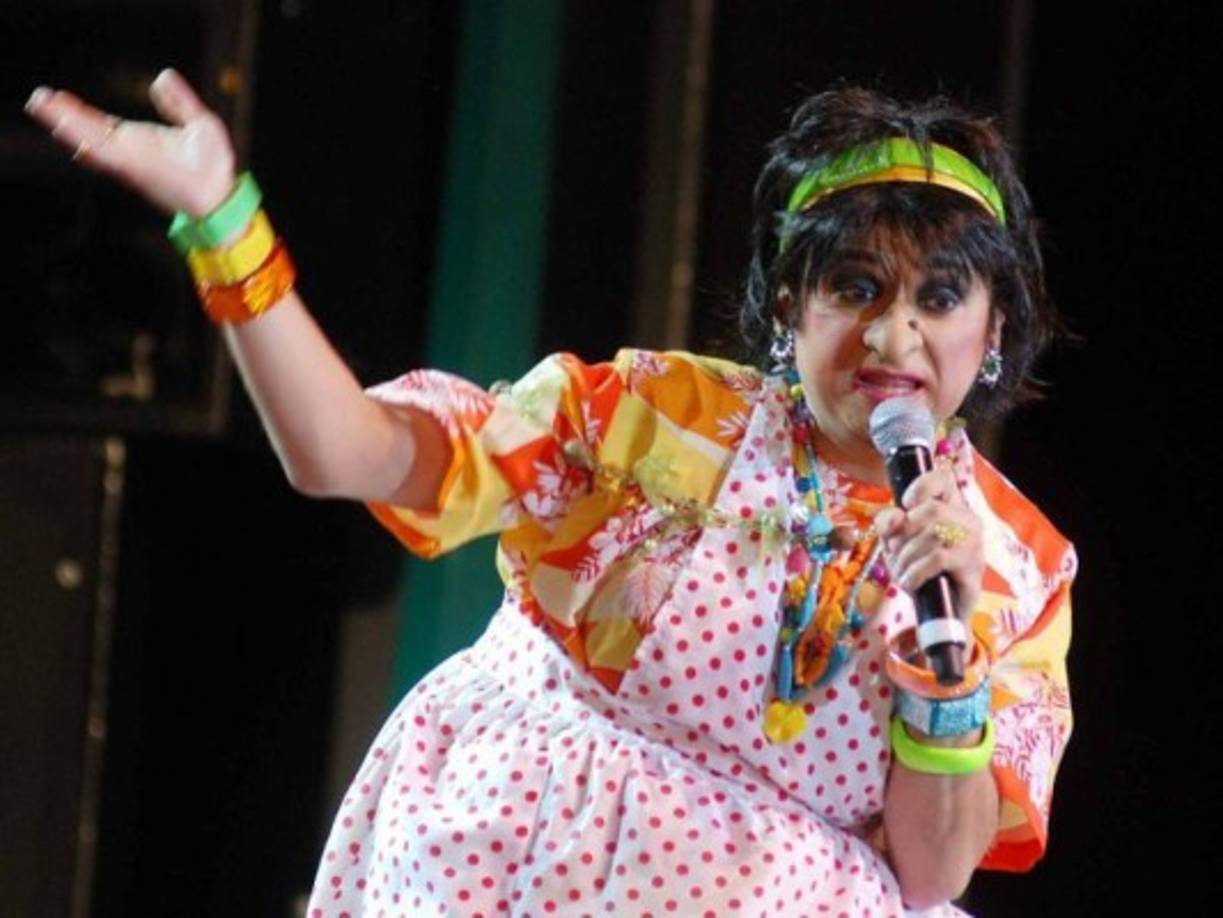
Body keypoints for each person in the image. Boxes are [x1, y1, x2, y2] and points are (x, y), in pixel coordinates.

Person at [25, 69, 1075, 916]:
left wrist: (948, 665)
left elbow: (933, 873)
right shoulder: (650, 417)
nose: (894, 337)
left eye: (937, 299)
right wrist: (223, 223)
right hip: (521, 863)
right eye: (854, 288)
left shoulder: (1012, 564)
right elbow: (342, 452)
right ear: (787, 307)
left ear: (988, 334)